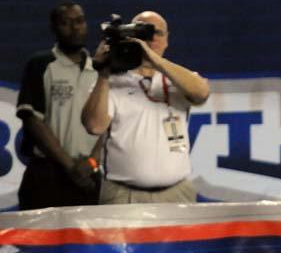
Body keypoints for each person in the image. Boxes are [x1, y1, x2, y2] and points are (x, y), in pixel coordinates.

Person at [82, 11, 210, 204]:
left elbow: (201, 94)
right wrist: (103, 74)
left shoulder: (177, 79)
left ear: (167, 40)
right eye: (142, 34)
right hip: (124, 195)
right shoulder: (111, 82)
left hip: (177, 193)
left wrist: (154, 60)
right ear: (129, 38)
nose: (150, 40)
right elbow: (94, 126)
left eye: (156, 33)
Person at [16, 0, 100, 210]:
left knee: (89, 243)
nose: (75, 28)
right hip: (47, 175)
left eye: (80, 21)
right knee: (39, 242)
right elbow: (33, 121)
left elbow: (111, 125)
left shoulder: (101, 70)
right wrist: (70, 166)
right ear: (53, 28)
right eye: (66, 22)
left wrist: (91, 164)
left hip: (90, 176)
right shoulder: (41, 64)